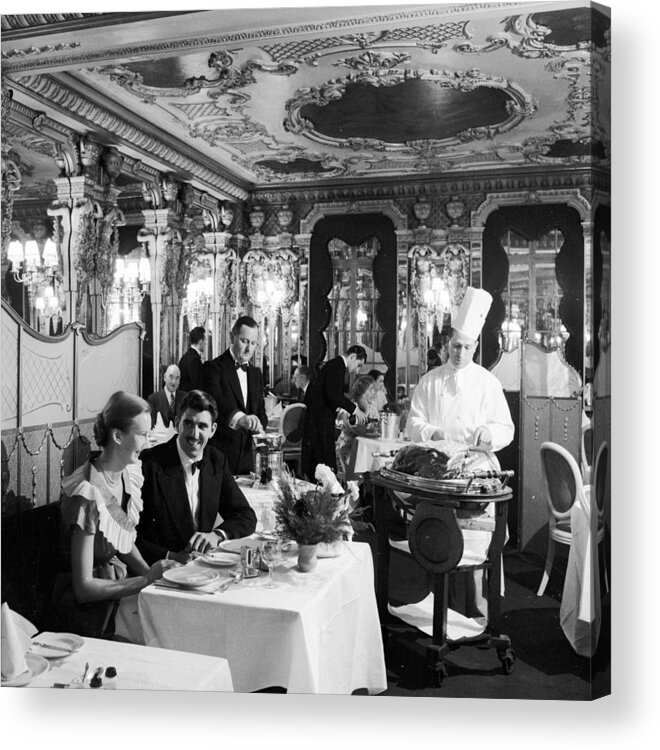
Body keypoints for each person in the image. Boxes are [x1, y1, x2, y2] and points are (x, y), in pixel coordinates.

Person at [406, 287, 514, 629]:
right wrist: (433, 434)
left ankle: (477, 604)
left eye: (467, 347)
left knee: (476, 538)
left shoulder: (487, 383)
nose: (460, 352)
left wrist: (488, 434)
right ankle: (437, 602)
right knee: (437, 534)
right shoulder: (429, 381)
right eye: (455, 346)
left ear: (475, 348)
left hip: (477, 468)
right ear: (445, 345)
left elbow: (506, 428)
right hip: (437, 468)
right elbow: (413, 424)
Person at [56, 391, 174, 637]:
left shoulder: (125, 475)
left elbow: (122, 538)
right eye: (142, 435)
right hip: (87, 609)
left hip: (115, 586)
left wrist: (155, 577)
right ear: (118, 436)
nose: (147, 442)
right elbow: (83, 587)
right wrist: (145, 580)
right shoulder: (87, 493)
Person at [137, 390, 257, 564]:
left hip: (201, 570)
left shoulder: (216, 460)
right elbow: (132, 536)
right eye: (188, 424)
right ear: (177, 423)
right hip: (158, 570)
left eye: (202, 426)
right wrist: (170, 557)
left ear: (213, 430)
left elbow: (245, 515)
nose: (194, 434)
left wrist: (218, 535)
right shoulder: (150, 462)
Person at [201, 315, 267, 474]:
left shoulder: (256, 373)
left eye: (253, 343)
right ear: (232, 337)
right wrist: (241, 419)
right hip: (222, 455)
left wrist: (259, 424)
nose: (248, 348)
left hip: (248, 458)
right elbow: (218, 403)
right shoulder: (213, 368)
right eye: (244, 341)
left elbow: (260, 412)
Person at [301, 344, 368, 480]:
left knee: (322, 462)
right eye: (359, 364)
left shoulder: (334, 365)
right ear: (353, 356)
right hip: (319, 422)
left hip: (320, 420)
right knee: (324, 465)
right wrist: (355, 410)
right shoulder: (337, 366)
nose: (357, 369)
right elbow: (334, 395)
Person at [336, 374, 379, 477]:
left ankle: (370, 490)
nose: (374, 393)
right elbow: (360, 431)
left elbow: (375, 427)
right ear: (361, 392)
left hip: (365, 449)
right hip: (348, 449)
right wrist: (367, 410)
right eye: (371, 389)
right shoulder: (351, 408)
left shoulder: (372, 406)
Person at [178, 326, 206, 392]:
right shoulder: (195, 360)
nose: (206, 343)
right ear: (200, 341)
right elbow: (197, 386)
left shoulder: (186, 356)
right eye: (205, 340)